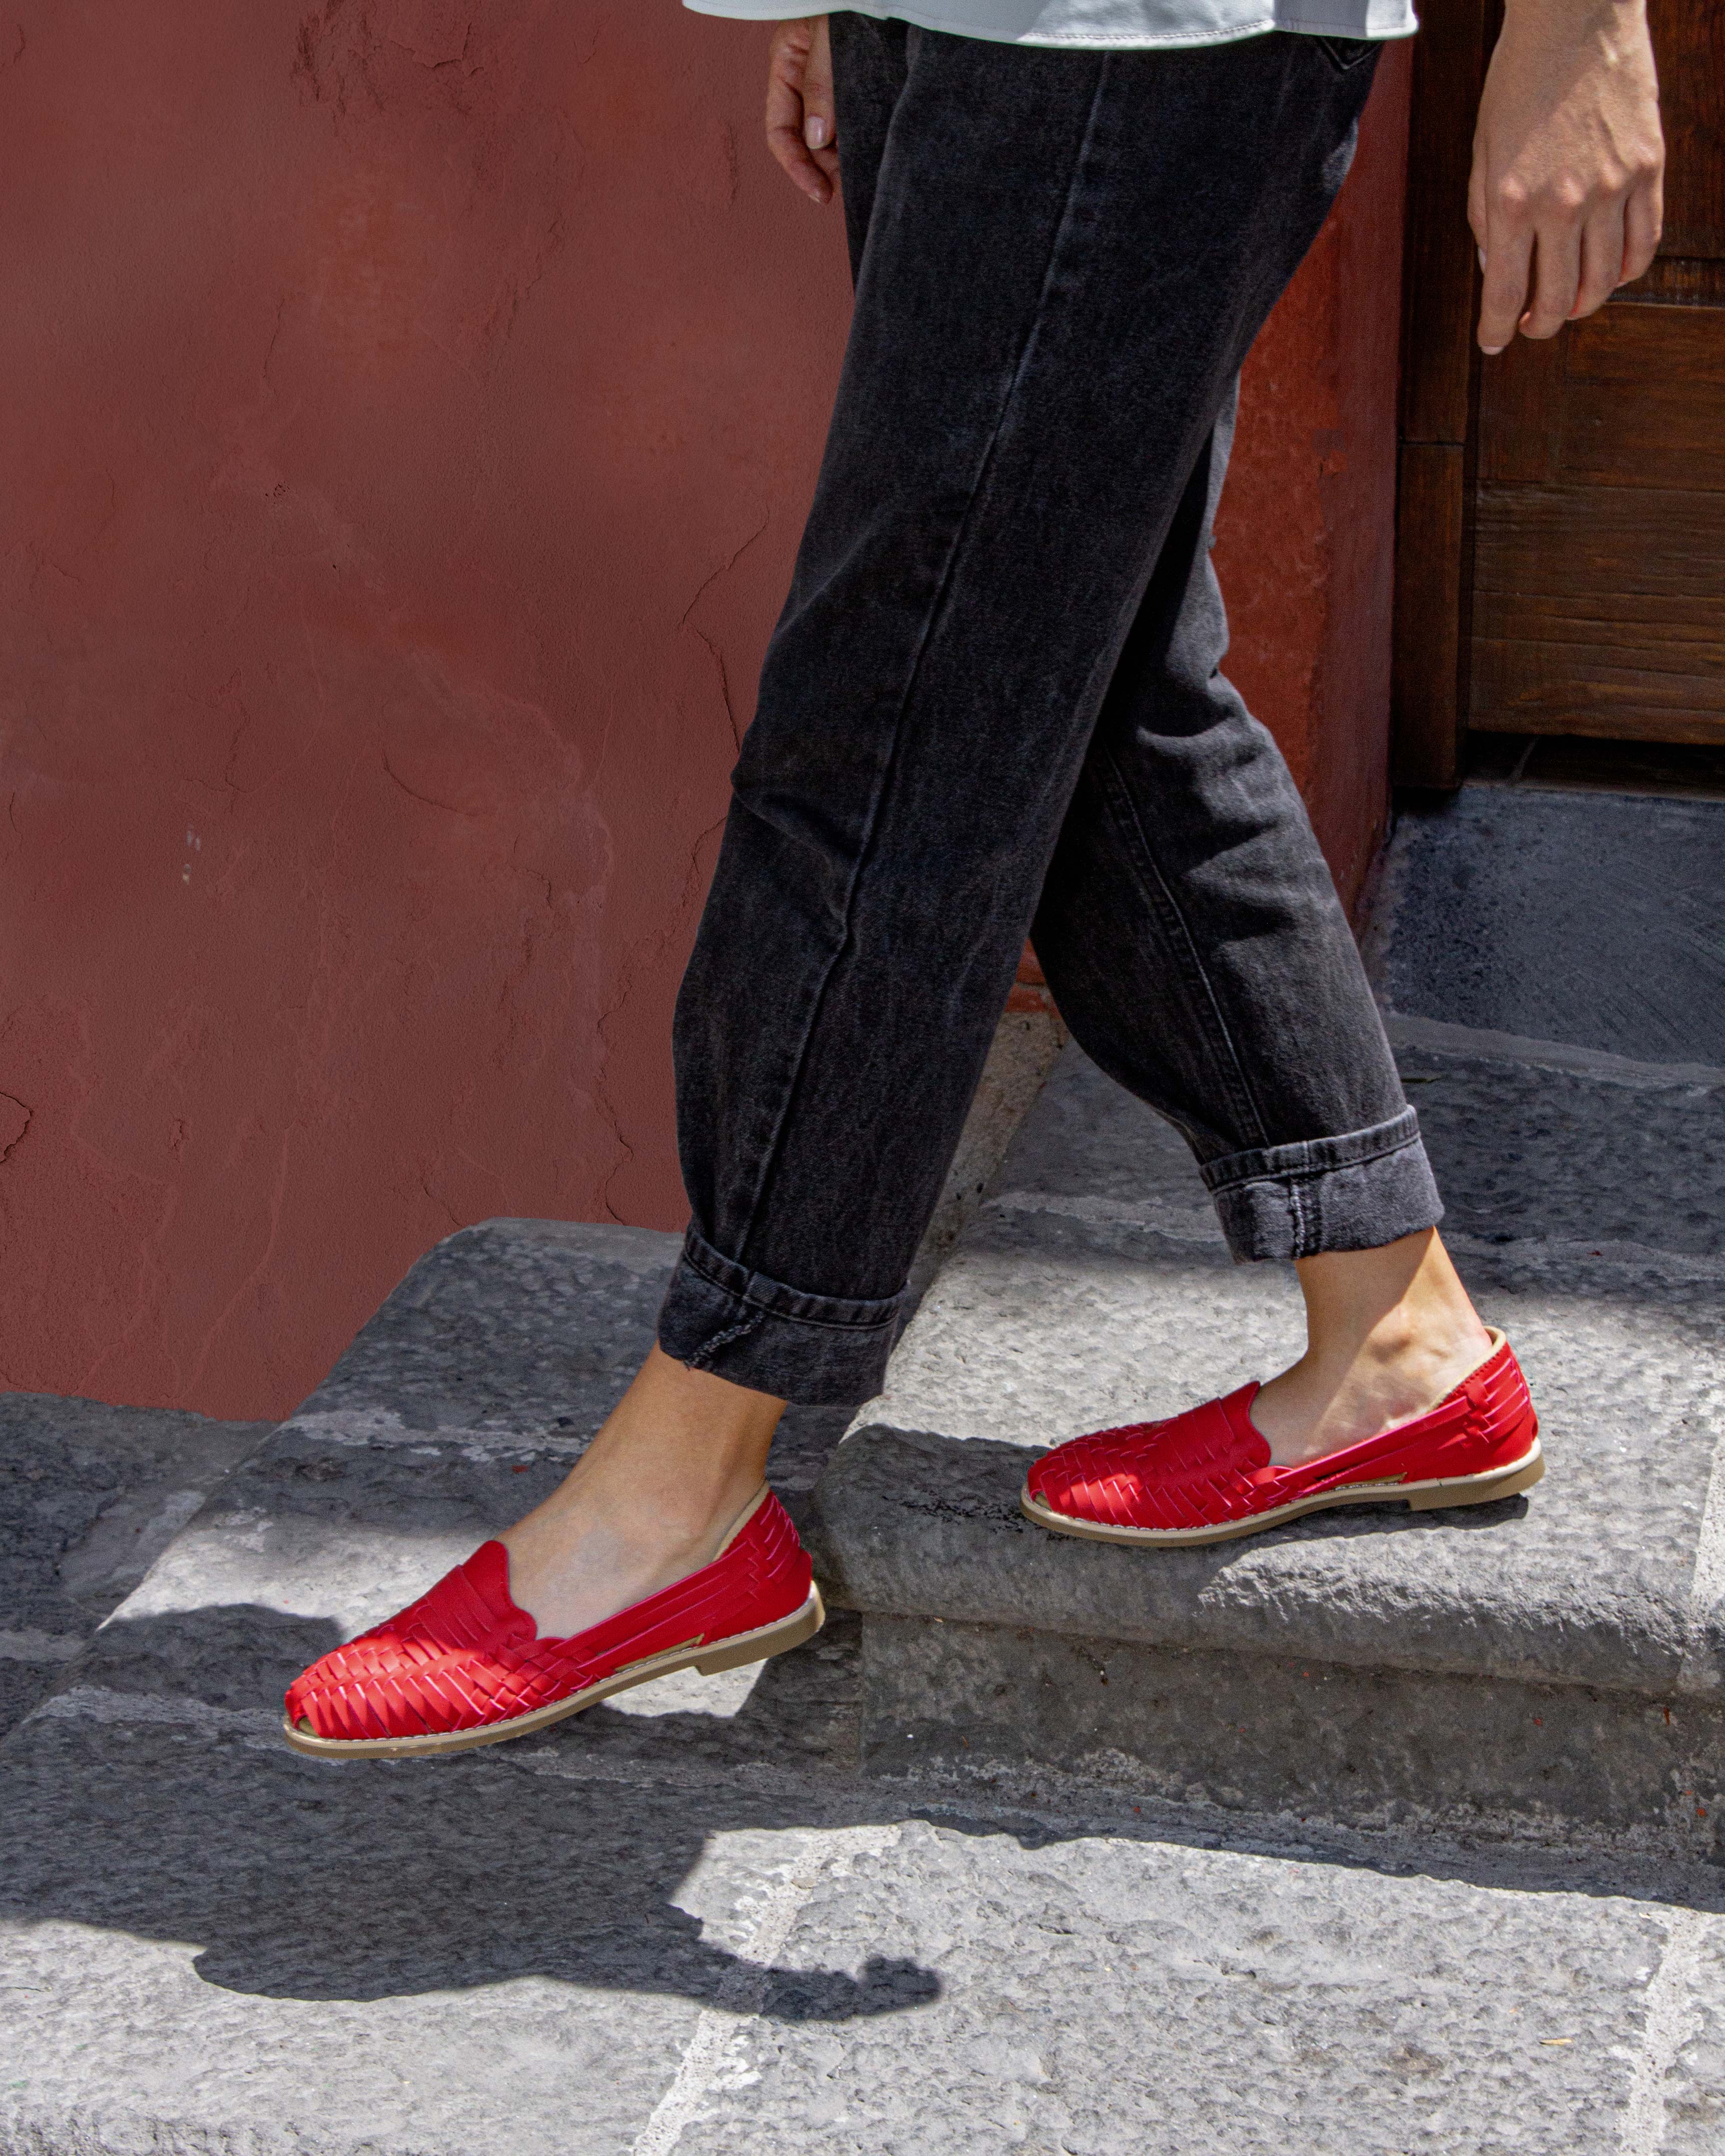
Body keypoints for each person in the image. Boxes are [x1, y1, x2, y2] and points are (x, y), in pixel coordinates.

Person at [282, 2, 1664, 1755]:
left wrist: (1580, 22)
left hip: (1145, 31)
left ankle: (682, 1486)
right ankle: (1394, 1333)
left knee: (895, 719)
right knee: (1089, 676)